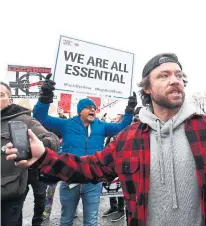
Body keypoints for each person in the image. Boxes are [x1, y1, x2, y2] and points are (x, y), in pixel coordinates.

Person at [6, 53, 206, 226]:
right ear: (147, 88)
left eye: (179, 75)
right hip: (72, 187)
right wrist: (44, 157)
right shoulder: (128, 139)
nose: (175, 81)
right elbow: (90, 167)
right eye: (164, 75)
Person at [32, 74, 136, 226]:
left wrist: (129, 110)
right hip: (70, 178)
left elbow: (122, 127)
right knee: (66, 219)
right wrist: (45, 97)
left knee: (91, 220)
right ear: (80, 111)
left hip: (93, 180)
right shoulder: (67, 124)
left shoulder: (102, 126)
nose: (93, 109)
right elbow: (40, 118)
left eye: (94, 107)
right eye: (89, 107)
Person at [1, 82, 60, 226]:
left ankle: (37, 222)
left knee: (39, 197)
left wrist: (33, 148)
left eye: (1, 95)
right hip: (19, 182)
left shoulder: (23, 119)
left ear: (10, 100)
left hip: (13, 189)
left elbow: (52, 139)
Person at [42, 106, 67, 221]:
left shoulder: (65, 138)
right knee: (49, 193)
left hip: (65, 168)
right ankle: (46, 211)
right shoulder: (47, 136)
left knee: (70, 189)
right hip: (51, 169)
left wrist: (62, 115)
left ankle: (72, 210)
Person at [103, 112, 125, 222]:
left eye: (117, 119)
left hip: (121, 164)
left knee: (119, 186)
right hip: (111, 164)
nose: (114, 120)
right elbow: (107, 145)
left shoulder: (125, 132)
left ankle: (121, 209)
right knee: (110, 185)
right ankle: (113, 206)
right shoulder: (112, 132)